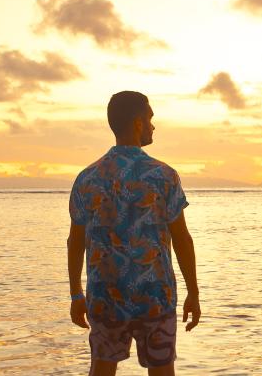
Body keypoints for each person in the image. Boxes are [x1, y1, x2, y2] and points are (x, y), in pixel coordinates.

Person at [68, 91, 201, 375]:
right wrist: (193, 292)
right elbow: (182, 239)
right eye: (151, 118)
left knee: (102, 370)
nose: (154, 126)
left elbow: (75, 241)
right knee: (162, 371)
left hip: (106, 294)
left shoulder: (88, 177)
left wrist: (76, 295)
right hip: (154, 295)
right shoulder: (164, 175)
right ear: (138, 123)